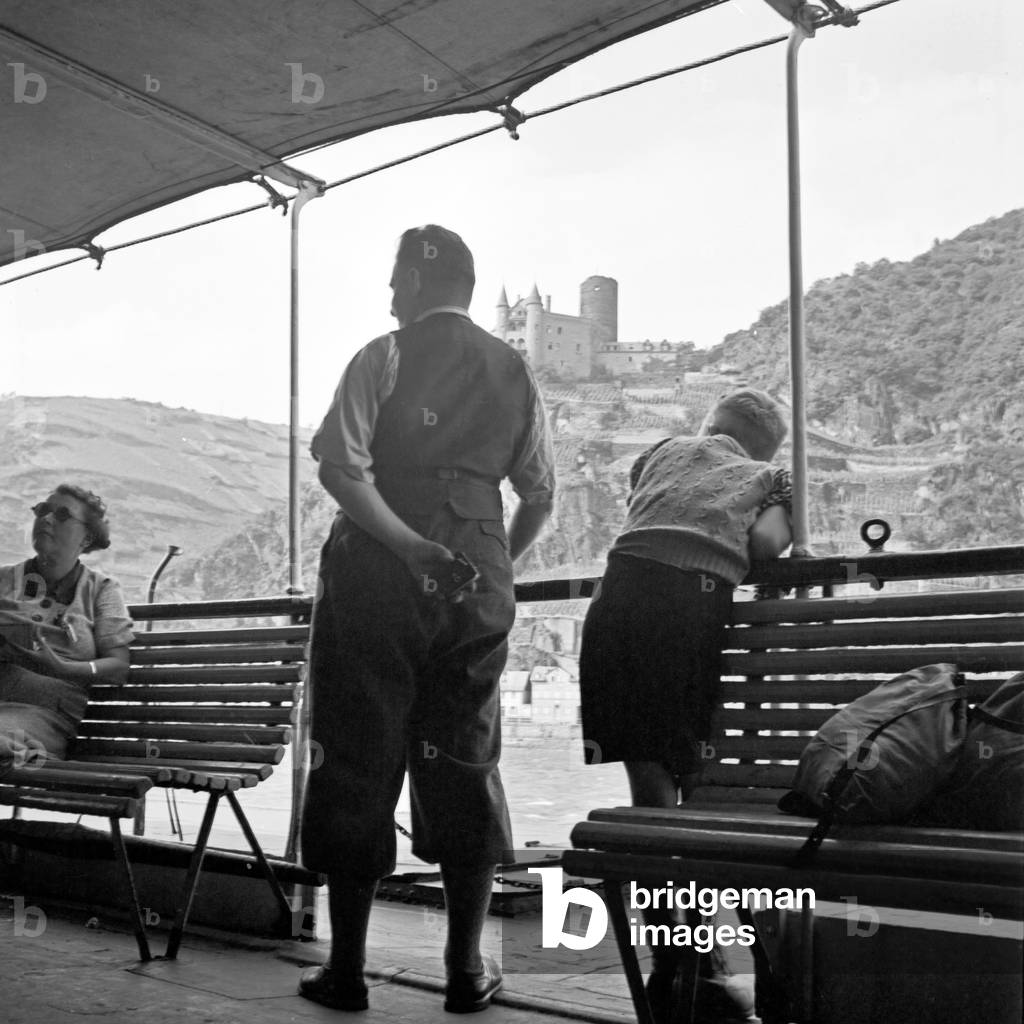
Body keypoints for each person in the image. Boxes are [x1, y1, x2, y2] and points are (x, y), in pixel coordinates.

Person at [298, 225, 554, 1013]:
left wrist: (413, 550)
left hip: (374, 580)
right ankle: (465, 971)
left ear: (413, 280)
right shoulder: (514, 370)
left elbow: (341, 468)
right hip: (475, 582)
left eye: (393, 279)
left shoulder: (384, 355)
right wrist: (482, 564)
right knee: (464, 759)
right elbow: (539, 494)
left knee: (358, 755)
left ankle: (347, 971)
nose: (388, 294)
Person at [579, 388, 792, 1024]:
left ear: (709, 424)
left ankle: (676, 967)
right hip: (684, 611)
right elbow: (768, 545)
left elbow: (641, 498)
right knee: (691, 794)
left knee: (650, 795)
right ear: (765, 449)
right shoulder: (767, 475)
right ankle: (703, 967)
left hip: (615, 605)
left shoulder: (662, 451)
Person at [0, 485, 134, 772]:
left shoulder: (101, 590)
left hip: (41, 719)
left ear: (87, 538)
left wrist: (62, 668)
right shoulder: (3, 580)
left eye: (62, 515)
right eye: (42, 510)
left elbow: (118, 667)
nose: (46, 519)